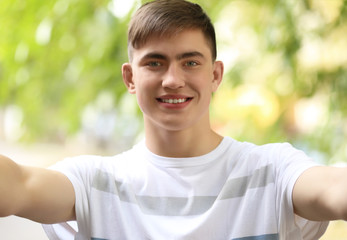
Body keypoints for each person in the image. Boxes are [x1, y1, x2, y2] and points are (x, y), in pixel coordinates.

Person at [0, 0, 346, 239]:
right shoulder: (94, 182)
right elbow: (15, 188)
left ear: (215, 74)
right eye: (154, 62)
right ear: (129, 78)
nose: (172, 79)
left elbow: (334, 189)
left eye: (190, 62)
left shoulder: (272, 171)